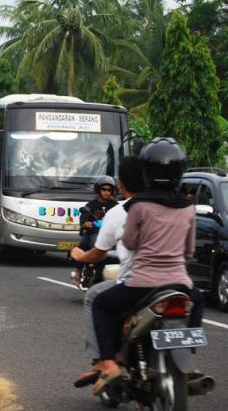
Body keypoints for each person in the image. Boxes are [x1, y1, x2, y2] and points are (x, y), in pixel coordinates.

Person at [90, 138, 200, 395]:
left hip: (142, 285)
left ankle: (108, 364)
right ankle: (189, 361)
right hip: (180, 283)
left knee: (101, 305)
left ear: (146, 172)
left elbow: (129, 241)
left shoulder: (138, 206)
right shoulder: (188, 207)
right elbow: (189, 251)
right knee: (197, 303)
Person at [70, 156, 144, 387]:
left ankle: (104, 361)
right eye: (102, 188)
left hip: (134, 280)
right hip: (178, 282)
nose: (106, 191)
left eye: (109, 188)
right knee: (84, 240)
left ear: (119, 185)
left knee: (95, 298)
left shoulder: (122, 210)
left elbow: (104, 250)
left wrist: (82, 256)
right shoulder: (181, 208)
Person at [73, 176, 118, 285]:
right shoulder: (90, 205)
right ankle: (78, 273)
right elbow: (83, 220)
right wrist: (85, 224)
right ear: (98, 190)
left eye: (109, 190)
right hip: (93, 233)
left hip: (110, 235)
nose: (106, 192)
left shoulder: (115, 206)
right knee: (82, 245)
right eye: (104, 189)